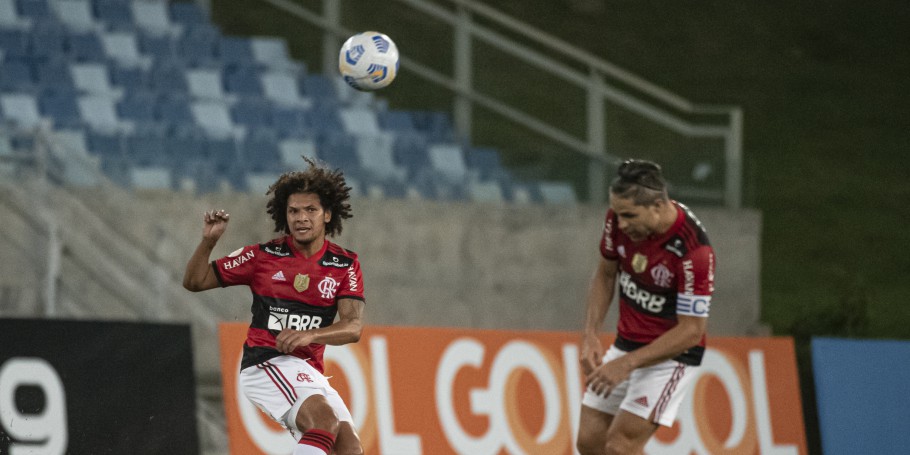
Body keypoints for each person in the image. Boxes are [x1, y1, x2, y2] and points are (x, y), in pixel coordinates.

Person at [183, 158, 365, 455]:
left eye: (310, 210)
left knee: (350, 449)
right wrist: (208, 242)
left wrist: (311, 335)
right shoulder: (263, 256)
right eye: (293, 211)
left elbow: (353, 326)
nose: (301, 218)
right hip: (265, 361)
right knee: (324, 422)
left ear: (328, 215)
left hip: (308, 369)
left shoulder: (344, 263)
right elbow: (195, 281)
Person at [576, 159, 716, 455]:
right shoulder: (617, 220)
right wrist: (590, 334)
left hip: (671, 356)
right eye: (617, 214)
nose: (621, 224)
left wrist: (626, 365)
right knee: (590, 443)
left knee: (619, 446)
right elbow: (605, 274)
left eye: (629, 215)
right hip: (627, 344)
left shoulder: (694, 250)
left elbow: (692, 331)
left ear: (657, 206)